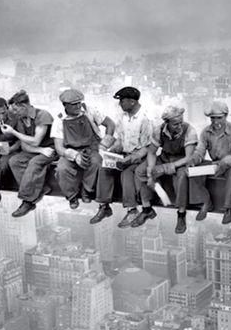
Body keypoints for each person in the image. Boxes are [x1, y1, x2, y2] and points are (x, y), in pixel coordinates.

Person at [131, 105, 204, 234]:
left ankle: (181, 214)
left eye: (181, 122)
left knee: (181, 177)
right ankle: (147, 208)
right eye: (176, 124)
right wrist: (150, 170)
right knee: (140, 171)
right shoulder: (159, 130)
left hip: (181, 161)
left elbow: (188, 157)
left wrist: (166, 168)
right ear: (167, 122)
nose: (179, 126)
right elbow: (152, 152)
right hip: (165, 157)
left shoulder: (189, 131)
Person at [92, 86, 153, 225]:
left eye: (122, 101)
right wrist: (113, 150)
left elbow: (146, 148)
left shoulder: (145, 119)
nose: (120, 104)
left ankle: (132, 210)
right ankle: (104, 206)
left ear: (132, 102)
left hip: (139, 158)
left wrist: (129, 159)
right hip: (124, 155)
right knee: (104, 168)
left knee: (126, 173)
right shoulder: (122, 117)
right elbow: (120, 140)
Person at [52, 89, 116, 210]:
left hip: (91, 147)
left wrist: (103, 145)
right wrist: (75, 156)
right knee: (62, 169)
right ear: (65, 105)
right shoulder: (59, 119)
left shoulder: (89, 110)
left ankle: (87, 191)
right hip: (71, 151)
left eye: (79, 103)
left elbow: (110, 124)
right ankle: (72, 196)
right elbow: (59, 148)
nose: (78, 106)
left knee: (96, 163)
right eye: (73, 104)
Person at [3, 90, 57, 217]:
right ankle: (41, 188)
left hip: (51, 149)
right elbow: (24, 144)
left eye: (16, 110)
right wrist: (40, 150)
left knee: (35, 162)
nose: (14, 113)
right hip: (39, 150)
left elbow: (35, 140)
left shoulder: (43, 115)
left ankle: (27, 201)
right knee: (14, 161)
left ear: (24, 106)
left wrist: (14, 132)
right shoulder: (21, 120)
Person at [188, 101, 231, 223]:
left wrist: (224, 163)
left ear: (226, 116)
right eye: (213, 118)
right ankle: (206, 201)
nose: (216, 121)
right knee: (194, 171)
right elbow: (200, 151)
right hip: (215, 164)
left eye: (219, 118)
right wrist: (194, 160)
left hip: (230, 163)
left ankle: (228, 208)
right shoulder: (206, 132)